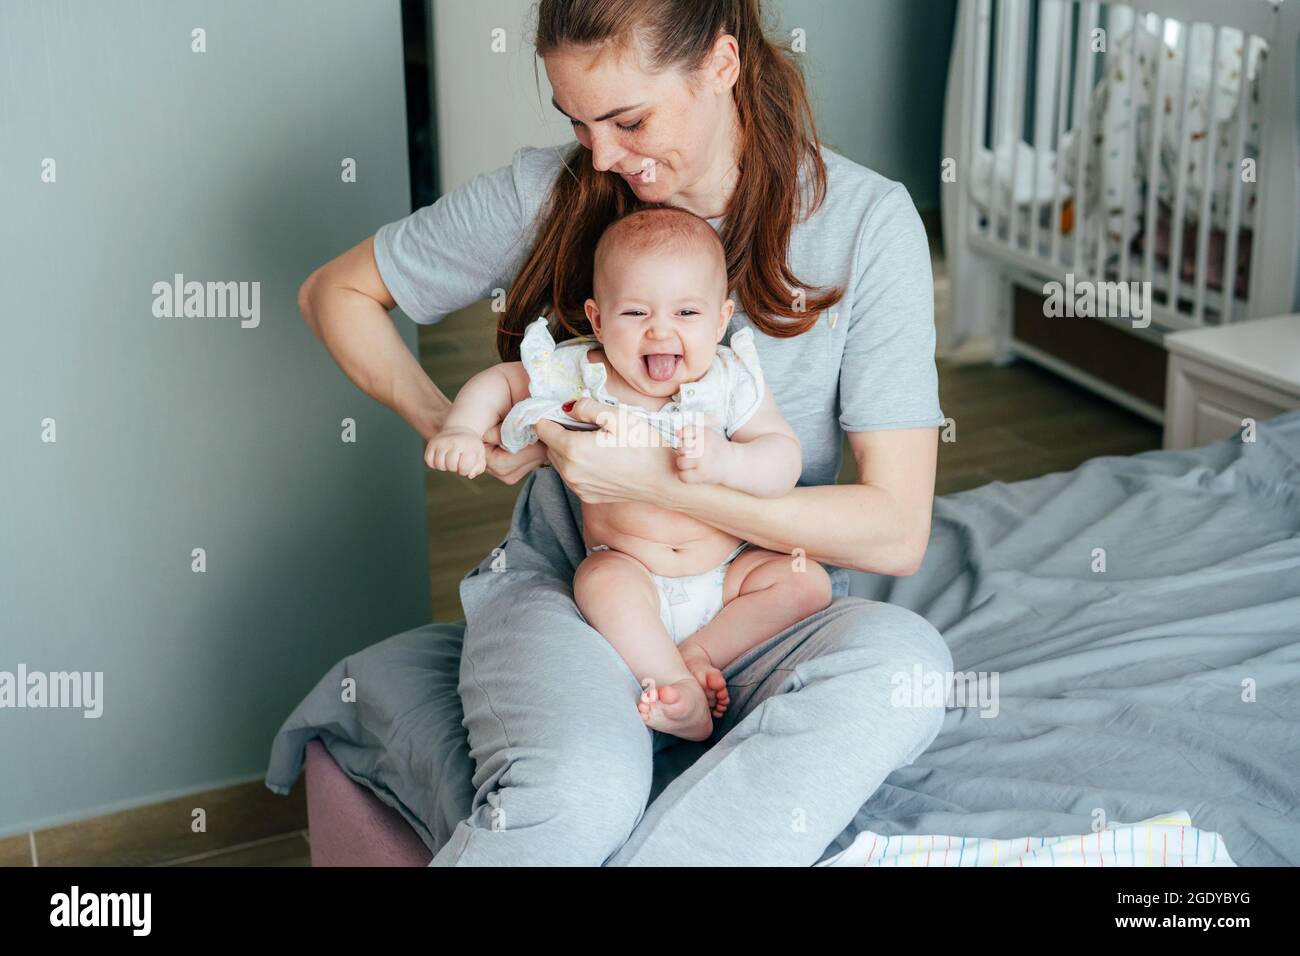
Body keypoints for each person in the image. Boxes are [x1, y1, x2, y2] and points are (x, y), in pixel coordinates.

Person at [295, 0, 953, 865]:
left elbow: (896, 531)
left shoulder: (866, 224)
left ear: (721, 64)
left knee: (907, 664)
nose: (602, 154)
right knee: (584, 792)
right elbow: (332, 294)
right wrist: (455, 428)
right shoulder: (554, 191)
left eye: (628, 118)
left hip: (744, 604)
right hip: (579, 591)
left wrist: (655, 482)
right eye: (578, 120)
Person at [425, 205, 833, 741]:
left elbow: (783, 457)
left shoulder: (731, 381)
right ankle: (673, 684)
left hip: (728, 575)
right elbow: (501, 383)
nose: (660, 332)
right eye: (636, 314)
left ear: (720, 319)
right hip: (635, 572)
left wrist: (730, 460)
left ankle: (700, 652)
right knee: (598, 581)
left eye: (687, 314)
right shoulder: (582, 372)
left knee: (806, 581)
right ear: (598, 320)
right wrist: (460, 427)